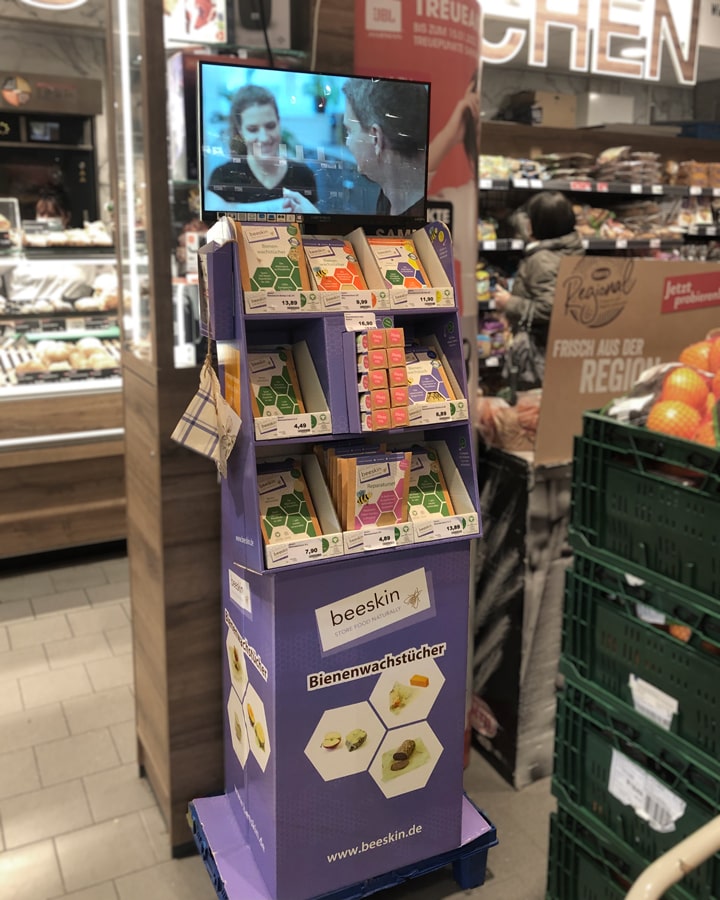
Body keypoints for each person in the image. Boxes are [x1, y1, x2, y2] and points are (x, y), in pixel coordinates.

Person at [493, 191, 584, 351]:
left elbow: (551, 308)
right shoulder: (571, 250)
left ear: (538, 223)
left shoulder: (542, 260)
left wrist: (509, 303)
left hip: (540, 350)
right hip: (563, 347)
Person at [207, 85, 319, 214]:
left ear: (279, 122)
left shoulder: (303, 175)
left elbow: (314, 230)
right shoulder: (223, 177)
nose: (264, 138)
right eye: (253, 130)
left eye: (270, 126)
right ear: (240, 131)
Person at [342, 78, 429, 217]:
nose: (347, 142)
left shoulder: (421, 215)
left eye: (349, 131)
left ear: (376, 138)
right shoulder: (389, 198)